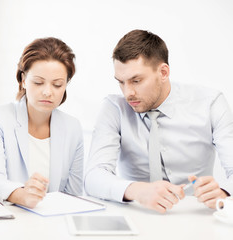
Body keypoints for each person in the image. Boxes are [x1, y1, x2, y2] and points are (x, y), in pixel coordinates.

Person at [85, 29, 233, 213]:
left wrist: (224, 192)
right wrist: (138, 191)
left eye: (136, 80)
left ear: (163, 72)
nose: (127, 92)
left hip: (197, 214)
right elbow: (93, 177)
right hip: (138, 213)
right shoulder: (115, 108)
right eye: (121, 82)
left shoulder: (210, 103)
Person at [0, 37, 83, 208]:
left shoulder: (72, 128)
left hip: (55, 222)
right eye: (38, 82)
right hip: (11, 220)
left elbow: (73, 195)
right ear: (23, 80)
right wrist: (21, 195)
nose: (47, 92)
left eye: (57, 85)